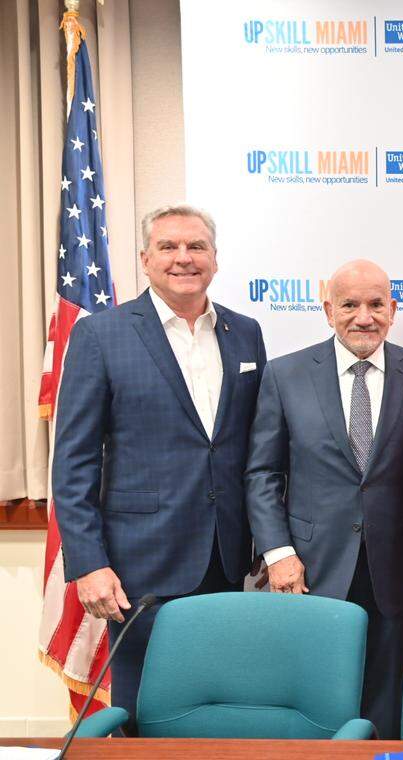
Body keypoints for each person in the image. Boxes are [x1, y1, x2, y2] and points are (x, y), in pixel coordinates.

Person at [53, 204, 266, 730]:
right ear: (145, 259)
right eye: (168, 247)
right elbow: (74, 462)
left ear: (215, 259)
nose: (183, 258)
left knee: (220, 705)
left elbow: (257, 449)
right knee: (146, 712)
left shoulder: (246, 333)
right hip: (137, 565)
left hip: (227, 556)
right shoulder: (101, 335)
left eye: (196, 247)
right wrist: (87, 563)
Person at [245, 260, 403, 738]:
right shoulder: (285, 374)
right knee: (315, 700)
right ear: (328, 309)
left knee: (387, 701)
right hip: (308, 568)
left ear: (393, 310)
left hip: (396, 566)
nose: (363, 316)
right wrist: (278, 553)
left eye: (376, 304)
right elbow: (263, 473)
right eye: (350, 305)